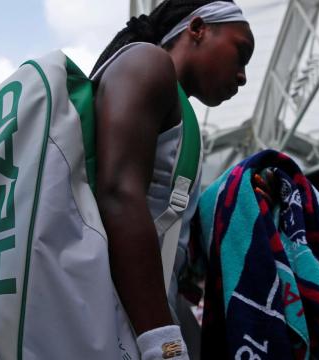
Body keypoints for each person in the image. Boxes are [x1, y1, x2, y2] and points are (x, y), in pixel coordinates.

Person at [90, 0, 254, 357]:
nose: (243, 75)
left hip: (126, 324)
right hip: (114, 331)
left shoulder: (178, 108)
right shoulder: (148, 62)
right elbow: (118, 194)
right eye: (240, 54)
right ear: (197, 29)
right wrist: (162, 345)